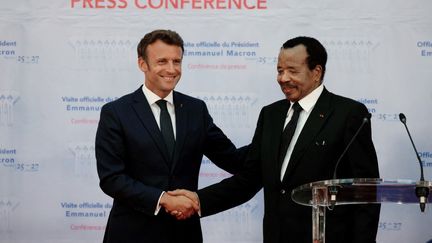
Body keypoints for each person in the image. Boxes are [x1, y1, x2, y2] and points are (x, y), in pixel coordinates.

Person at [170, 36, 381, 243]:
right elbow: (249, 179)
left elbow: (366, 192)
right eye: (280, 70)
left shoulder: (348, 114)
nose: (283, 78)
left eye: (292, 71)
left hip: (326, 236)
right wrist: (198, 200)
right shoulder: (270, 114)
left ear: (316, 72)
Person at [95, 29, 246, 243]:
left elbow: (233, 159)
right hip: (132, 233)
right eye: (162, 61)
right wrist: (163, 199)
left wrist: (274, 138)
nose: (171, 69)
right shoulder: (116, 112)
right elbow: (111, 178)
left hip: (184, 234)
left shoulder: (196, 109)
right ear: (142, 64)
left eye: (177, 61)